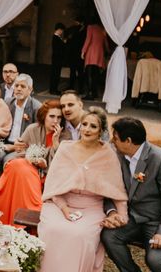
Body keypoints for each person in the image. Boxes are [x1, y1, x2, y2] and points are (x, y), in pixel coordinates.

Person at [38, 108, 128, 272]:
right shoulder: (65, 148)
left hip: (91, 207)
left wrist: (122, 215)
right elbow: (53, 185)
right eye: (84, 124)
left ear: (101, 131)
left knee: (79, 235)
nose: (87, 129)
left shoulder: (108, 153)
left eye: (93, 126)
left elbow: (118, 191)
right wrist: (64, 208)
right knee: (53, 229)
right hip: (59, 204)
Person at [102, 117, 161, 272]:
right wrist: (112, 212)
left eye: (115, 138)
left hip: (159, 220)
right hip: (133, 218)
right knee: (109, 237)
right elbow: (109, 189)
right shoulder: (117, 155)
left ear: (128, 141)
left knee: (155, 260)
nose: (112, 142)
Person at [0, 99, 69, 225]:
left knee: (20, 167)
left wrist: (56, 143)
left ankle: (29, 214)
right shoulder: (32, 129)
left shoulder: (65, 136)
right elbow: (20, 150)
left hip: (48, 175)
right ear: (44, 116)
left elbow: (61, 164)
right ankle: (6, 211)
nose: (55, 121)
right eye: (52, 116)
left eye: (59, 117)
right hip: (28, 168)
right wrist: (32, 158)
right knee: (15, 164)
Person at [0, 74, 41, 178]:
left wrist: (17, 147)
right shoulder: (8, 103)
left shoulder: (36, 107)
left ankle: (6, 186)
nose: (18, 89)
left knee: (7, 160)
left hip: (23, 147)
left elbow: (37, 134)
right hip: (7, 142)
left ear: (30, 89)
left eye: (23, 86)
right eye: (16, 85)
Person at [81, 17, 109, 100]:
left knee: (89, 74)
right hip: (99, 54)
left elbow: (88, 40)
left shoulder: (90, 27)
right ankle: (95, 92)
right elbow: (106, 43)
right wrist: (108, 51)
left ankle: (89, 93)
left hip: (91, 54)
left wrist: (83, 51)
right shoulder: (102, 29)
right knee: (95, 74)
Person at [65, 17, 86, 92]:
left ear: (75, 21)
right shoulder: (84, 31)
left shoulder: (71, 29)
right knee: (80, 72)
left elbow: (67, 40)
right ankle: (81, 88)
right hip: (80, 54)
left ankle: (71, 86)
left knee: (72, 71)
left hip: (72, 54)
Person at [50, 22, 66, 95]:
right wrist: (64, 43)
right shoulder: (56, 38)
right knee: (55, 74)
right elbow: (58, 49)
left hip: (56, 59)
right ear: (59, 30)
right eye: (62, 30)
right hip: (57, 59)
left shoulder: (57, 38)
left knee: (56, 74)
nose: (62, 32)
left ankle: (54, 89)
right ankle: (53, 89)